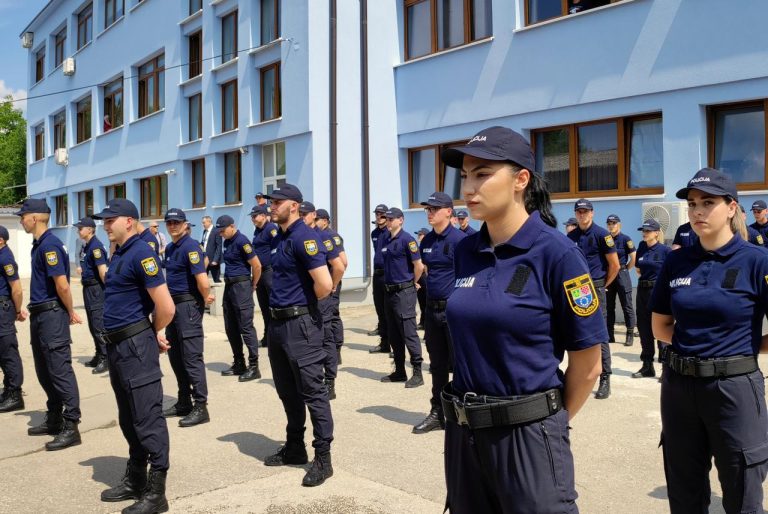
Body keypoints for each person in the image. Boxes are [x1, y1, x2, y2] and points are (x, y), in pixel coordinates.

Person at [440, 126, 604, 513]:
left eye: (482, 174)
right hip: (465, 437)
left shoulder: (557, 255)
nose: (468, 187)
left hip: (528, 438)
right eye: (465, 175)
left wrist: (542, 421)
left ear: (520, 180)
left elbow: (587, 364)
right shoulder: (466, 250)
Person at [651, 167, 768, 514]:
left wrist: (743, 350)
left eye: (708, 202)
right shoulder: (677, 261)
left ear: (732, 207)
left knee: (742, 493)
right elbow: (660, 326)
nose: (698, 211)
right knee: (684, 491)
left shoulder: (756, 261)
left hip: (734, 389)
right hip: (679, 388)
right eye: (692, 204)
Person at [91, 198, 175, 513]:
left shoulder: (142, 253)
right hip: (118, 347)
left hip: (135, 347)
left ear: (128, 221)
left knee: (147, 416)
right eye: (103, 220)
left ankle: (157, 493)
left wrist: (151, 332)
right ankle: (136, 479)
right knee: (129, 416)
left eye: (110, 220)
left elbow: (166, 306)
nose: (105, 225)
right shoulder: (121, 253)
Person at [261, 184, 335, 487]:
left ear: (294, 205)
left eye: (277, 202)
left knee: (313, 392)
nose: (272, 206)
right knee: (287, 391)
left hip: (299, 324)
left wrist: (304, 311)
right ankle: (294, 447)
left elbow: (325, 284)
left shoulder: (306, 238)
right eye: (271, 201)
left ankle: (323, 458)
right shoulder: (281, 238)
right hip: (278, 326)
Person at [16, 198, 83, 451]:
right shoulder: (41, 244)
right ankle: (54, 416)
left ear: (35, 218)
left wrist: (69, 311)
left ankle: (71, 424)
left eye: (23, 216)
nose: (21, 220)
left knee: (59, 369)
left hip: (52, 315)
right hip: (40, 315)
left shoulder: (51, 245)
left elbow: (62, 285)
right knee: (44, 370)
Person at [412, 192, 466, 434]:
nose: (430, 212)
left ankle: (463, 411)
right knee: (437, 365)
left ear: (448, 211)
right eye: (428, 209)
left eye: (435, 208)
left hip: (454, 312)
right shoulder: (426, 242)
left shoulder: (460, 241)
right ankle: (438, 412)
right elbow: (428, 272)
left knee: (462, 365)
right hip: (432, 312)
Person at [162, 209, 212, 427]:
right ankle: (184, 400)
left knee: (191, 357)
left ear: (185, 225)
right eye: (169, 222)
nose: (172, 226)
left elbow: (202, 280)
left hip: (187, 305)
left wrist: (204, 298)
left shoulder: (191, 246)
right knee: (176, 356)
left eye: (176, 222)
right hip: (173, 306)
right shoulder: (172, 247)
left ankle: (201, 405)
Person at [568, 198, 619, 399]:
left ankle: (605, 377)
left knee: (600, 333)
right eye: (579, 211)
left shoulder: (602, 234)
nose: (582, 214)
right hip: (575, 289)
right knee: (574, 332)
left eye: (585, 211)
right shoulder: (571, 236)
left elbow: (614, 265)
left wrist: (601, 285)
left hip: (595, 287)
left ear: (592, 213)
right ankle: (578, 375)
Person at [380, 207, 424, 387]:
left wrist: (412, 282)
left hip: (404, 291)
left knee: (408, 331)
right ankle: (399, 371)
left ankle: (418, 373)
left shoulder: (407, 240)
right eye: (387, 219)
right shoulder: (386, 239)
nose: (388, 222)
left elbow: (418, 266)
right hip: (389, 291)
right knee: (393, 333)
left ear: (401, 220)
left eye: (391, 219)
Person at [217, 215, 262, 381]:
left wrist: (253, 285)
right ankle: (239, 362)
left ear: (232, 226)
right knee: (231, 327)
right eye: (219, 231)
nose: (221, 234)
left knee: (246, 326)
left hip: (242, 286)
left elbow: (257, 265)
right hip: (229, 286)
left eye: (223, 230)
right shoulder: (227, 241)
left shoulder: (242, 241)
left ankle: (254, 366)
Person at [315, 208, 348, 399]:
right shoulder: (315, 235)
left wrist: (334, 283)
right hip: (325, 285)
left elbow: (343, 262)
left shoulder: (330, 236)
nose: (315, 221)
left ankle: (336, 351)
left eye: (318, 219)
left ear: (325, 221)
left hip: (330, 285)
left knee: (332, 319)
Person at [632, 219, 670, 379]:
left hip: (658, 291)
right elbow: (638, 269)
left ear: (656, 232)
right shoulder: (641, 247)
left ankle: (666, 368)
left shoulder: (665, 250)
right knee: (644, 328)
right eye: (643, 230)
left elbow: (670, 272)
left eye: (648, 230)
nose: (645, 233)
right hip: (642, 290)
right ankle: (647, 366)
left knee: (661, 331)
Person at [74, 216, 109, 374]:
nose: (78, 230)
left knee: (98, 324)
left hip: (96, 289)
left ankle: (105, 357)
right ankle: (98, 353)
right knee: (92, 324)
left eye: (80, 228)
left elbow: (103, 272)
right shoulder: (87, 246)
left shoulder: (95, 247)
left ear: (90, 229)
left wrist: (109, 292)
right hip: (88, 288)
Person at [0, 226, 25, 413]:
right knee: (2, 351)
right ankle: (8, 388)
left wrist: (17, 310)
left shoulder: (6, 258)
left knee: (8, 351)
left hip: (4, 308)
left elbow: (16, 288)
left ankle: (15, 393)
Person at [605, 214, 636, 346]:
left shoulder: (626, 239)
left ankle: (629, 334)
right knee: (609, 307)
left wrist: (624, 269)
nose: (612, 226)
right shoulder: (605, 239)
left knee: (627, 306)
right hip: (610, 275)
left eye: (614, 223)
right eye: (609, 224)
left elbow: (633, 258)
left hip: (622, 273)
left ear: (619, 225)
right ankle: (610, 335)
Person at [250, 204, 279, 347]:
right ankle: (268, 336)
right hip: (259, 273)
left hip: (269, 271)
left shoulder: (271, 229)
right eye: (251, 217)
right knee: (263, 307)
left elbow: (277, 249)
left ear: (263, 215)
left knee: (273, 305)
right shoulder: (257, 230)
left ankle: (276, 336)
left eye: (255, 216)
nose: (253, 219)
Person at [368, 204, 391, 354]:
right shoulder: (374, 233)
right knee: (380, 311)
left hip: (389, 274)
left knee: (391, 312)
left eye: (382, 215)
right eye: (377, 214)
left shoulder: (391, 232)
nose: (378, 216)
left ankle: (396, 345)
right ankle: (384, 343)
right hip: (377, 274)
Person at [414, 228, 429, 330]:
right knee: (421, 301)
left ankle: (426, 322)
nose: (418, 236)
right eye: (418, 234)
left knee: (426, 301)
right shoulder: (419, 248)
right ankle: (423, 322)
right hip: (419, 277)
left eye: (420, 234)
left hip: (424, 276)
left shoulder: (427, 247)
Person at [201, 216, 222, 283]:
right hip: (205, 259)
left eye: (204, 223)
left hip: (213, 260)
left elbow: (219, 246)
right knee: (203, 279)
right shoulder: (205, 231)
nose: (203, 224)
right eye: (202, 223)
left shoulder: (216, 231)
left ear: (209, 222)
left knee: (216, 281)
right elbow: (204, 243)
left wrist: (215, 260)